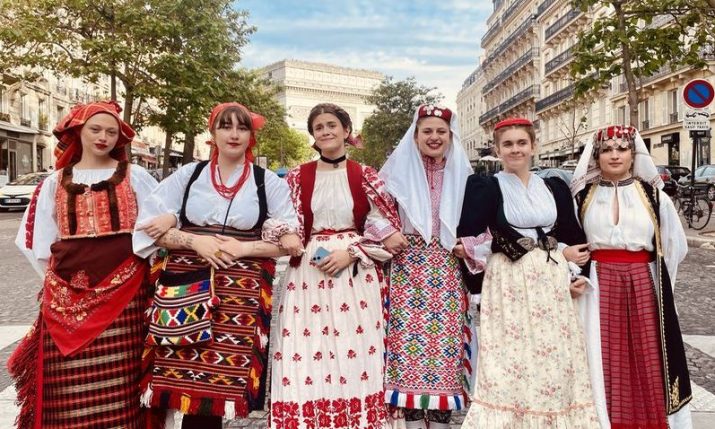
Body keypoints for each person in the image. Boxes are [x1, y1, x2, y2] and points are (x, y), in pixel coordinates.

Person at [133, 102, 301, 429]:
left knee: (218, 389)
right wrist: (194, 240)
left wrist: (244, 247)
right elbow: (149, 230)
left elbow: (290, 242)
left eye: (241, 128)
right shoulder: (189, 175)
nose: (234, 134)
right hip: (188, 286)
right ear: (213, 133)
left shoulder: (268, 183)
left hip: (241, 294)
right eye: (226, 126)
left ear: (251, 136)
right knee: (185, 382)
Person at [9, 101, 159, 429]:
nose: (103, 137)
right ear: (79, 132)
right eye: (95, 129)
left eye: (111, 131)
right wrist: (61, 287)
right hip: (64, 299)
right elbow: (38, 244)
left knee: (122, 380)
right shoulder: (54, 182)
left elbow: (157, 230)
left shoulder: (139, 177)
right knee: (66, 386)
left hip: (126, 294)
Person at [458, 118, 599, 428]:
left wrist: (576, 272)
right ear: (497, 150)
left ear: (533, 145)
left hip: (551, 278)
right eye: (507, 144)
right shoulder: (486, 186)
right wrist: (477, 285)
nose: (515, 149)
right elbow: (469, 235)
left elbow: (570, 231)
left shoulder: (553, 186)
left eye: (522, 143)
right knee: (512, 356)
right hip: (509, 279)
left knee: (555, 354)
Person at [270, 103, 401, 429]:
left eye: (332, 125)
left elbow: (385, 225)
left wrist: (351, 253)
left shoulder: (366, 175)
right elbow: (285, 223)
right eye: (319, 127)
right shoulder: (299, 176)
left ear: (346, 130)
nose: (326, 131)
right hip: (308, 275)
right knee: (306, 349)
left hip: (355, 273)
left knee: (354, 349)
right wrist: (312, 252)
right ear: (313, 135)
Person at [571, 125, 692, 429]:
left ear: (632, 154)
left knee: (647, 356)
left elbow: (675, 245)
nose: (614, 155)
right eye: (607, 150)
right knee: (600, 356)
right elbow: (570, 242)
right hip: (596, 285)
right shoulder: (582, 195)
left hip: (642, 282)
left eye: (621, 149)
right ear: (596, 156)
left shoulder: (653, 195)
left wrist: (660, 286)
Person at [378, 104, 473, 429]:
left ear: (450, 136)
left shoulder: (464, 176)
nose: (434, 137)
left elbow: (483, 225)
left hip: (447, 273)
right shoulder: (394, 176)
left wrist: (469, 246)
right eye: (427, 131)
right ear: (415, 136)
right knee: (407, 359)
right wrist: (388, 233)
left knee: (446, 358)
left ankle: (443, 423)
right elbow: (373, 215)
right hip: (406, 272)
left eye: (441, 132)